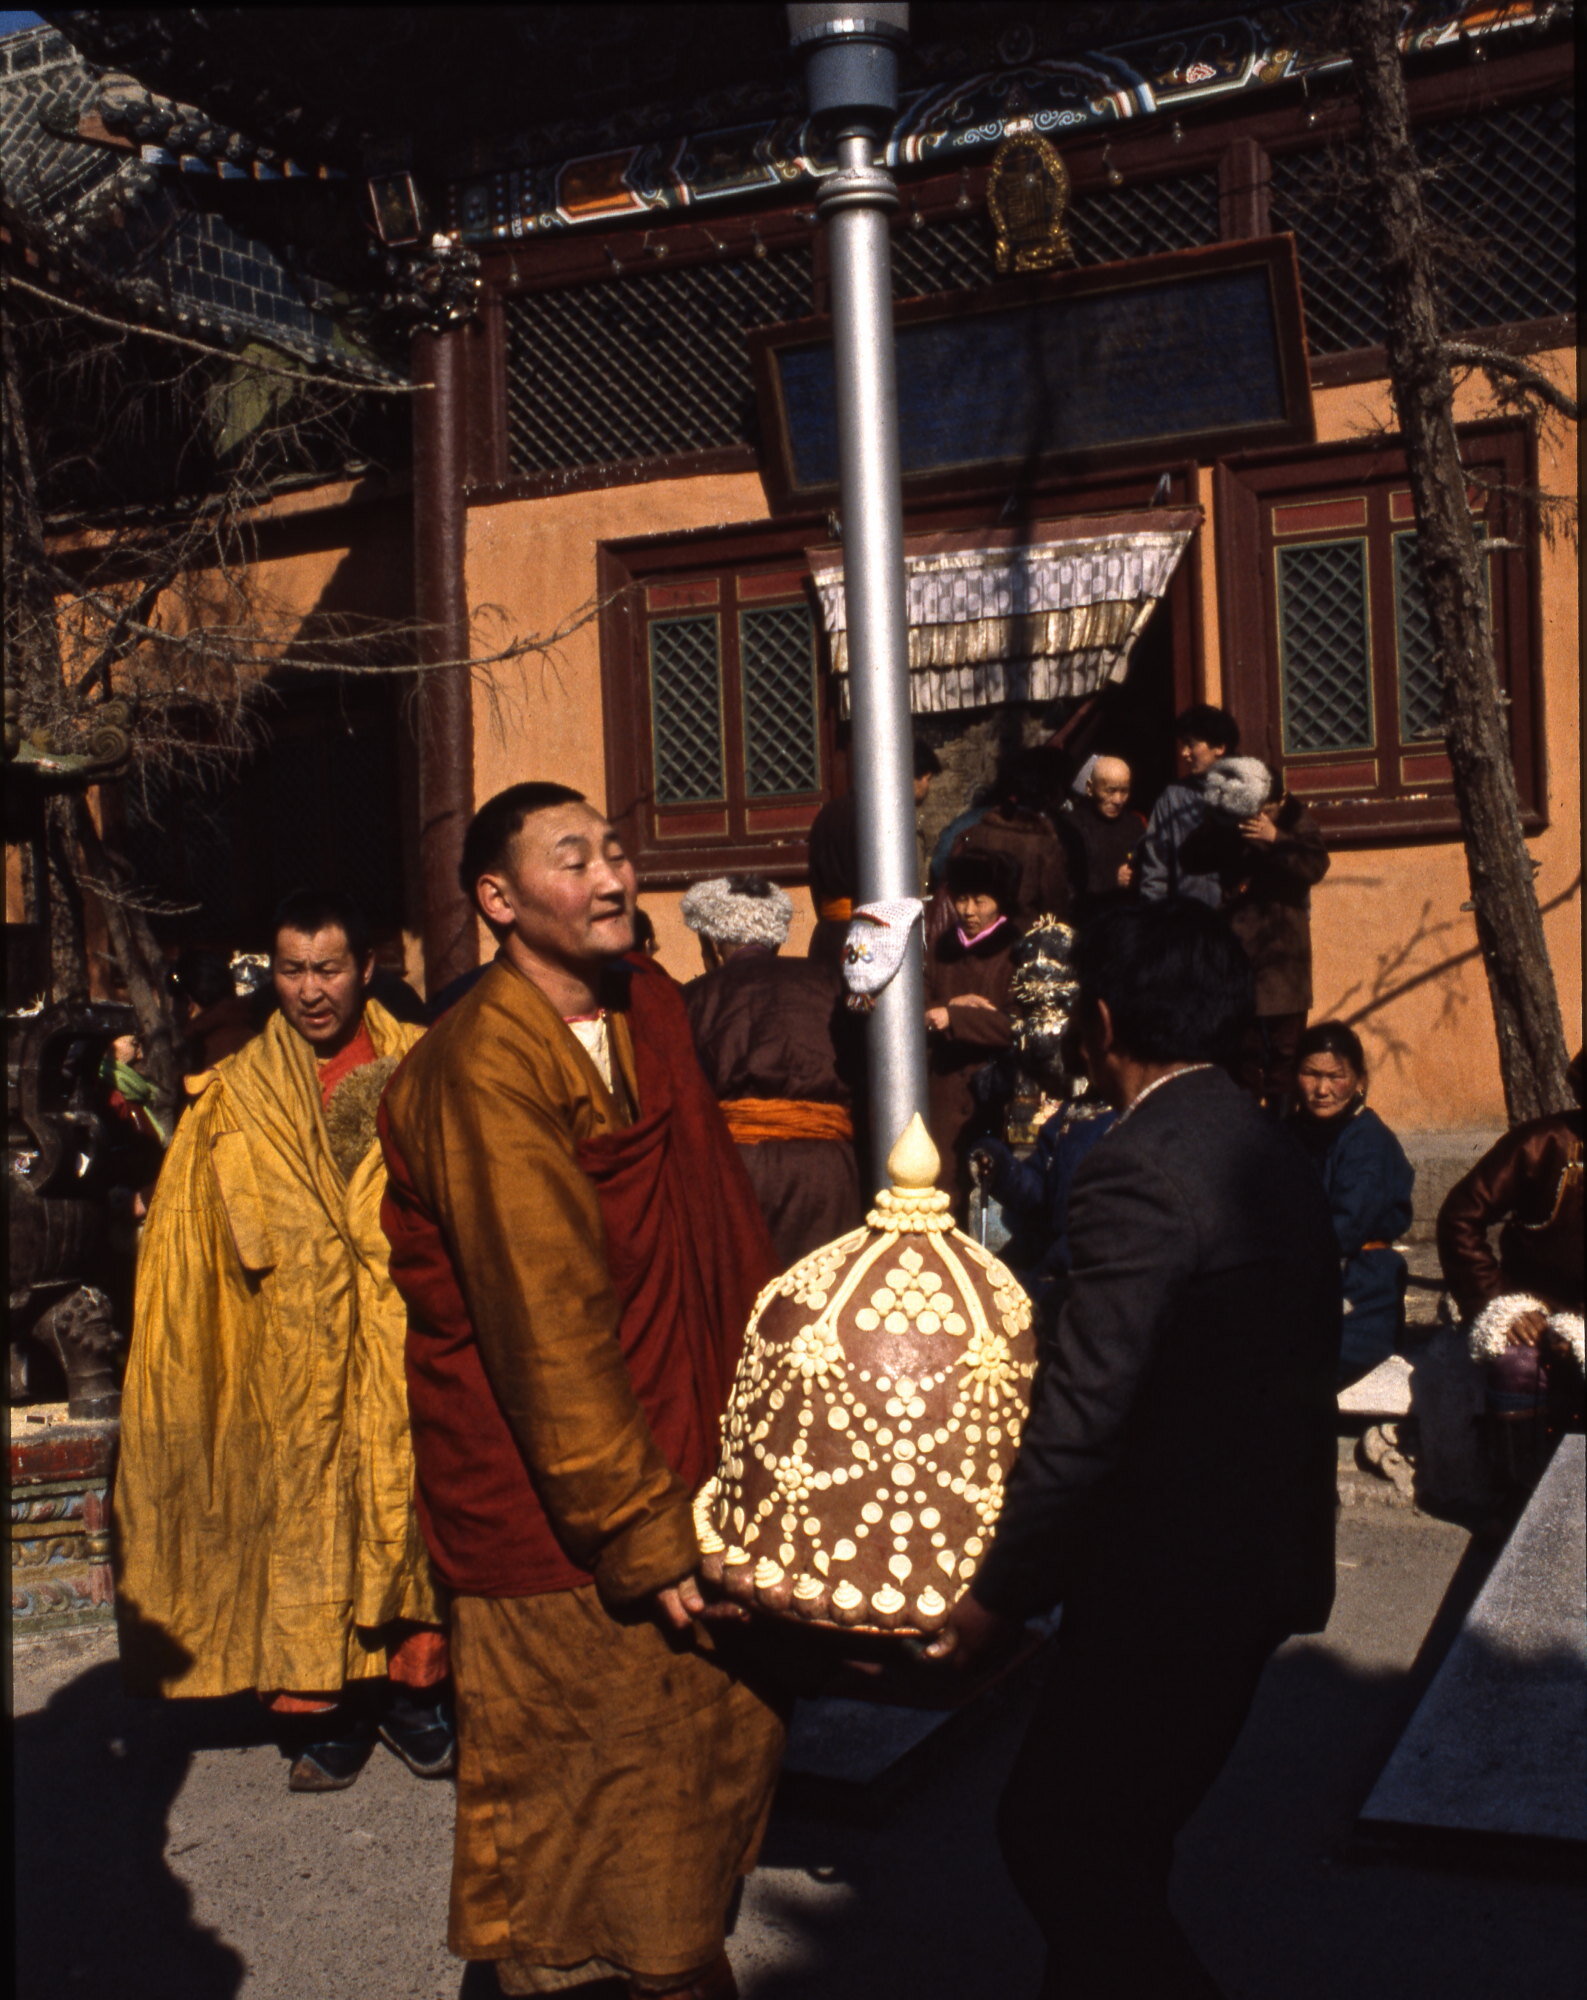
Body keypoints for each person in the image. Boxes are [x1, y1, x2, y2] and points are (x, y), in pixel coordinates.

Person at [378, 782, 785, 2000]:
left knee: (689, 1803)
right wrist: (640, 1526)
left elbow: (713, 1229)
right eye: (574, 860)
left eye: (616, 850)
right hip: (563, 1521)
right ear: (498, 902)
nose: (614, 877)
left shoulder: (642, 1005)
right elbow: (543, 1329)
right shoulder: (481, 1067)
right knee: (577, 1838)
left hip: (680, 1470)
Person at [927, 898, 1340, 2000]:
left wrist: (994, 1602)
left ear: (1099, 1020)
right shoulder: (1263, 1141)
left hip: (1170, 1577)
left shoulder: (1138, 1166)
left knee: (1056, 1837)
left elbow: (1086, 1414)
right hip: (1258, 1560)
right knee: (1119, 1843)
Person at [115, 890, 449, 1794]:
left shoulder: (425, 1067)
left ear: (366, 968)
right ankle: (324, 1706)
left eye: (328, 969)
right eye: (292, 971)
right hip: (285, 1346)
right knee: (304, 1520)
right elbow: (185, 1246)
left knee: (403, 1510)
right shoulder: (232, 1093)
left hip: (399, 1329)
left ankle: (417, 1695)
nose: (310, 991)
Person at [681, 872, 864, 1267]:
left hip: (735, 1171)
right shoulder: (831, 983)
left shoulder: (694, 997)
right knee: (820, 1303)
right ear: (777, 939)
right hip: (828, 1174)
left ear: (712, 943)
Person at [1432, 1050, 1584, 1491]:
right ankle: (1516, 1503)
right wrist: (1499, 1303)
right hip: (1537, 1304)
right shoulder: (1542, 1144)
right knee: (1517, 1365)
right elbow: (1461, 1216)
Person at [1290, 1022, 1415, 1388]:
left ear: (1360, 1080)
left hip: (1361, 1286)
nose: (1322, 1089)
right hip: (1297, 1281)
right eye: (1310, 1074)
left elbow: (1344, 1229)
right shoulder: (1290, 1133)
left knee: (1292, 1366)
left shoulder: (1368, 1143)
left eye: (1335, 1076)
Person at [1222, 772, 1330, 1110]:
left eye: (1266, 809)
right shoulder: (1237, 822)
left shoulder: (1298, 823)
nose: (1259, 817)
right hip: (1244, 953)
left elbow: (1315, 866)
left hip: (1285, 957)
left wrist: (1276, 838)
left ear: (1282, 802)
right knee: (1245, 1054)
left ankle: (1283, 1127)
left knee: (1286, 1055)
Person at [925, 850, 1021, 1216]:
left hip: (993, 1095)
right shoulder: (941, 948)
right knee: (944, 1193)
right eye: (962, 899)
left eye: (980, 900)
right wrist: (949, 1012)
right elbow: (922, 1009)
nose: (968, 910)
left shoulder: (1016, 951)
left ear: (999, 903)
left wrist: (954, 1016)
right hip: (944, 1093)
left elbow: (1014, 1026)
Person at [807, 738, 940, 967]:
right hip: (867, 941)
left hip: (827, 935)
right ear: (912, 776)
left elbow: (815, 881)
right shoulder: (882, 818)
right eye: (927, 779)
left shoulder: (829, 812)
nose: (927, 788)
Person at [948, 749, 1072, 929]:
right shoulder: (1045, 846)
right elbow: (1055, 906)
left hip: (977, 934)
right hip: (1021, 938)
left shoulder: (974, 832)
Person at [1136, 703, 1240, 907]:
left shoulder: (1250, 791)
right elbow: (1155, 867)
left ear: (1219, 747)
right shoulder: (1172, 798)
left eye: (1191, 744)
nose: (1184, 753)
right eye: (1183, 744)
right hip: (1189, 920)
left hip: (1241, 921)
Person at [1057, 753, 1146, 922]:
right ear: (1090, 788)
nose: (1118, 800)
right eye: (1110, 791)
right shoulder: (1071, 826)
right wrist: (1113, 880)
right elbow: (1066, 882)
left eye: (1124, 791)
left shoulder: (1135, 825)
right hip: (1088, 918)